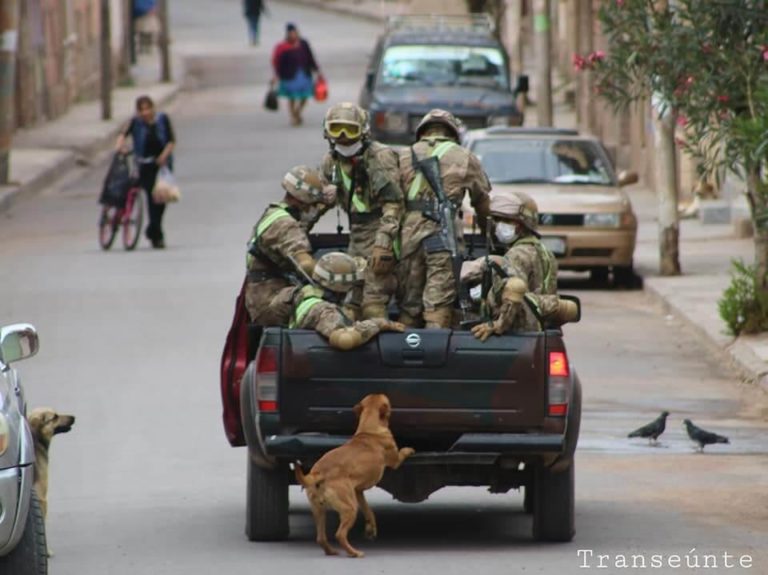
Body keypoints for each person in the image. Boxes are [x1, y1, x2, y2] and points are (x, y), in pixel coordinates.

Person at [306, 103, 403, 321]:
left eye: (350, 129)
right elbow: (320, 201)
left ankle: (378, 342)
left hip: (381, 230)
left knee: (372, 300)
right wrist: (300, 227)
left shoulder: (380, 157)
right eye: (336, 129)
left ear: (363, 130)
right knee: (351, 300)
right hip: (356, 234)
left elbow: (394, 203)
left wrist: (383, 242)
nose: (342, 136)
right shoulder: (330, 161)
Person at [397, 109, 491, 328]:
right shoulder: (464, 156)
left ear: (422, 132)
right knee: (437, 304)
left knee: (408, 304)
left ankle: (404, 350)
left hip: (406, 237)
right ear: (453, 133)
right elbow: (482, 202)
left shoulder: (403, 155)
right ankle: (434, 347)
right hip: (442, 235)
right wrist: (490, 234)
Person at [244, 165, 333, 324]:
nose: (312, 207)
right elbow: (305, 265)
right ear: (305, 200)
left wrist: (325, 202)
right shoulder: (286, 225)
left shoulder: (276, 213)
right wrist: (335, 277)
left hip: (262, 295)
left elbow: (306, 221)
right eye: (311, 203)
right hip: (269, 301)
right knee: (317, 298)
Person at [469, 191, 563, 341]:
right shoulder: (545, 252)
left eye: (505, 220)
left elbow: (514, 290)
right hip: (542, 331)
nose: (498, 225)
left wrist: (499, 324)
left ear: (520, 226)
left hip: (519, 333)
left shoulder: (516, 255)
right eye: (497, 219)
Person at [284, 252, 404, 350]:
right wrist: (378, 324)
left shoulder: (302, 294)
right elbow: (344, 340)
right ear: (341, 287)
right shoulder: (324, 311)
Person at [115, 95, 175, 249]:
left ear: (153, 108)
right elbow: (122, 134)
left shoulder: (162, 119)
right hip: (145, 165)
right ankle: (156, 234)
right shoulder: (136, 123)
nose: (145, 112)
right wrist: (120, 146)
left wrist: (163, 157)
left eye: (148, 108)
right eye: (142, 110)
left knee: (162, 201)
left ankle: (153, 230)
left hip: (161, 165)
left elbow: (171, 141)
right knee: (151, 198)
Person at [271, 23, 322, 126]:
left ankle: (298, 112)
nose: (294, 35)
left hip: (304, 74)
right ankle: (293, 116)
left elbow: (310, 57)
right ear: (288, 34)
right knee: (292, 97)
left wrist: (317, 70)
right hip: (289, 76)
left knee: (305, 95)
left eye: (296, 32)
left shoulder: (304, 43)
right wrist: (276, 75)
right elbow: (277, 62)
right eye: (292, 33)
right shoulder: (282, 47)